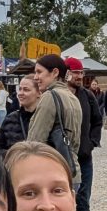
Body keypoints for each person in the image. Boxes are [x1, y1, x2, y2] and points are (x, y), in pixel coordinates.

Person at [28, 55, 82, 185]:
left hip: (52, 174)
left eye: (39, 72)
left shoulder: (50, 96)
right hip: (72, 170)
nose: (35, 77)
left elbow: (35, 141)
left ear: (55, 72)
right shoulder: (73, 97)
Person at [65, 57, 103, 211]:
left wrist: (92, 142)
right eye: (76, 72)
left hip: (84, 158)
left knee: (83, 200)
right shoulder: (56, 95)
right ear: (66, 73)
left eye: (81, 72)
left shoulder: (87, 96)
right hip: (63, 157)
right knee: (62, 200)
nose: (79, 76)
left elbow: (97, 120)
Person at [0, 74, 40, 152]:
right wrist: (12, 155)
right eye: (20, 89)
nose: (20, 93)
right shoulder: (11, 118)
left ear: (39, 93)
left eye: (26, 90)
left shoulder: (47, 119)